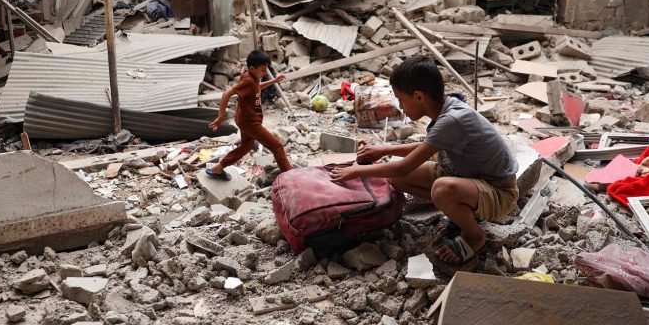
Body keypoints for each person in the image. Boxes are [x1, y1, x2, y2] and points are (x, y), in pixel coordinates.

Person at [329, 55, 519, 265]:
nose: (401, 106)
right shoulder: (446, 108)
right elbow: (426, 149)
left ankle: (474, 236)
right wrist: (382, 150)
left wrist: (355, 171)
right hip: (466, 177)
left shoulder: (452, 120)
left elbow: (404, 166)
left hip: (499, 192)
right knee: (399, 180)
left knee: (441, 189)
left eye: (401, 99)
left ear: (419, 96)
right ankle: (462, 214)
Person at [207, 49, 293, 179]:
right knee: (277, 146)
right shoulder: (248, 81)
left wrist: (273, 81)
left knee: (246, 146)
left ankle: (218, 168)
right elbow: (226, 94)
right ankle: (290, 177)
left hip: (244, 118)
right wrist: (220, 116)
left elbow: (256, 87)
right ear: (252, 68)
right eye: (263, 70)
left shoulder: (251, 77)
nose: (265, 73)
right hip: (250, 122)